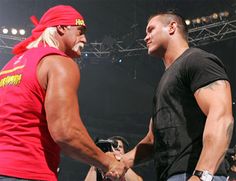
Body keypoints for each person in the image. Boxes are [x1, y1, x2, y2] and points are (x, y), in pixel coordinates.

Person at [0, 5, 127, 181]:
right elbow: (66, 132)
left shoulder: (10, 65)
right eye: (80, 31)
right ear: (61, 27)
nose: (85, 39)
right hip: (28, 171)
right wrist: (107, 162)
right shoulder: (58, 62)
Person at [113, 10, 235, 181]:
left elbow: (221, 116)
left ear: (171, 27)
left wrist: (202, 175)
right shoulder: (164, 80)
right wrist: (123, 161)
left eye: (151, 29)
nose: (145, 37)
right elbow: (153, 139)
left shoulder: (197, 60)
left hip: (195, 173)